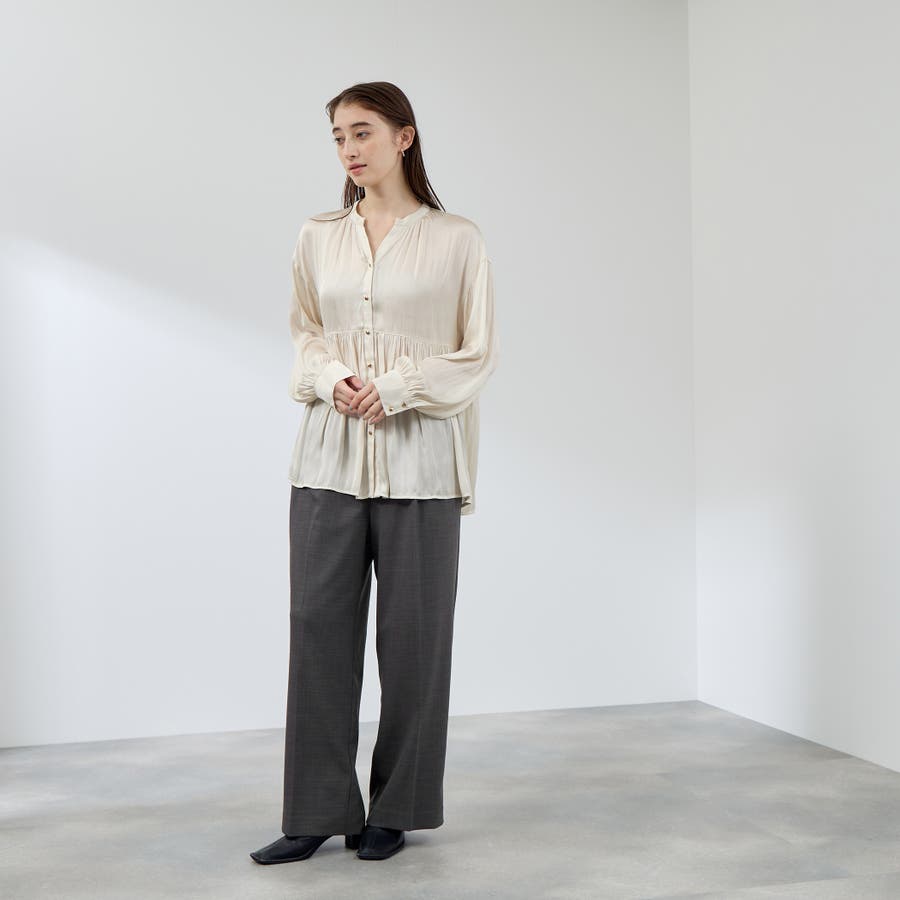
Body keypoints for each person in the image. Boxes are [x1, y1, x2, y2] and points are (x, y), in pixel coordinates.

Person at [250, 81, 499, 865]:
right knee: (315, 632)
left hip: (422, 464)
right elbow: (304, 335)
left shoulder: (457, 239)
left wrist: (394, 389)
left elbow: (476, 354)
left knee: (415, 641)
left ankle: (399, 807)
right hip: (327, 458)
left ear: (404, 136)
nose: (349, 149)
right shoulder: (318, 235)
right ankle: (315, 811)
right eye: (337, 137)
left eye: (362, 132)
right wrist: (333, 381)